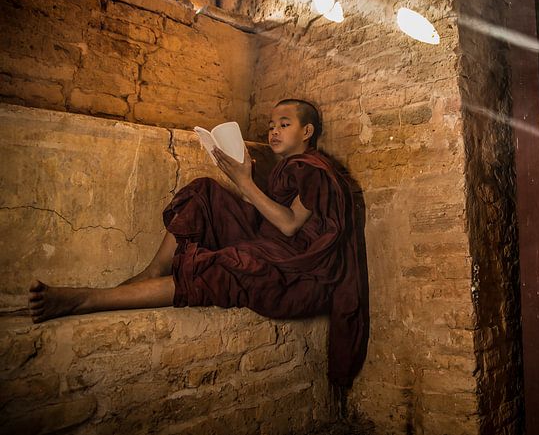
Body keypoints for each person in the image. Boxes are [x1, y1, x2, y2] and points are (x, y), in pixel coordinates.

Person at [28, 99, 368, 386]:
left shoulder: (315, 170)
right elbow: (265, 216)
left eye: (284, 124)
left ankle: (85, 300)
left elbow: (290, 225)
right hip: (275, 246)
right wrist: (238, 176)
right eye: (270, 125)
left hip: (298, 275)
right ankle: (151, 273)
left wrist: (244, 182)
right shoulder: (289, 168)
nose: (273, 131)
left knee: (230, 263)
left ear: (307, 132)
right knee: (203, 192)